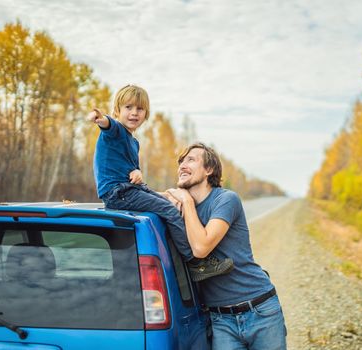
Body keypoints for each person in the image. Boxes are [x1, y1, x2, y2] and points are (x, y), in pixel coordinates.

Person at [86, 84, 233, 282]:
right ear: (117, 111)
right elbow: (107, 125)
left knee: (170, 202)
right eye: (128, 107)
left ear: (146, 114)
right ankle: (194, 263)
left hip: (129, 187)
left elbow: (128, 167)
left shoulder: (133, 141)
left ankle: (177, 253)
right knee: (168, 209)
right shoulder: (117, 131)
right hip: (117, 192)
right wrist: (99, 118)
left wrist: (136, 172)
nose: (134, 113)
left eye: (139, 109)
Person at [164, 142, 287, 350]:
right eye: (181, 162)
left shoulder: (226, 199)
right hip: (221, 321)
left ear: (209, 170)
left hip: (260, 310)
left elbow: (201, 247)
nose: (183, 165)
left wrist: (186, 202)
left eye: (191, 160)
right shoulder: (178, 204)